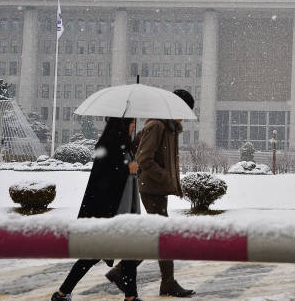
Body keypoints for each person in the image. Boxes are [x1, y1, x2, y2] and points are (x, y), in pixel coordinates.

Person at [107, 89, 196, 298]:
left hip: (157, 188)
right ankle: (162, 281)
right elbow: (144, 158)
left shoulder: (169, 127)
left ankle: (124, 272)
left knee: (159, 237)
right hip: (151, 188)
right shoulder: (156, 125)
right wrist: (165, 177)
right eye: (183, 109)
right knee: (163, 237)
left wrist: (172, 182)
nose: (184, 115)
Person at [52, 117, 141, 301]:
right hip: (108, 212)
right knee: (92, 256)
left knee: (130, 252)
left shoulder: (122, 146)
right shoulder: (109, 147)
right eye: (131, 123)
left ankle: (131, 296)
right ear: (122, 125)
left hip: (121, 210)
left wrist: (132, 168)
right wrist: (128, 170)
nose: (134, 126)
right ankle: (62, 293)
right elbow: (107, 178)